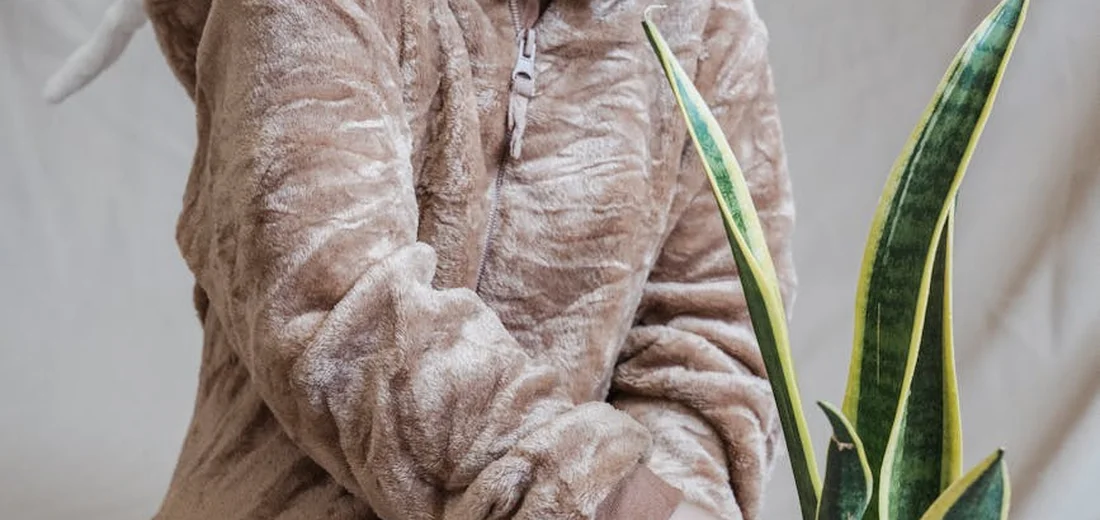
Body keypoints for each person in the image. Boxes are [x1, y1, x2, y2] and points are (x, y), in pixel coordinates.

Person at [46, 0, 797, 518]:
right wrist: (603, 500)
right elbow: (334, 298)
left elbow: (711, 343)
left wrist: (664, 499)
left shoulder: (708, 26)